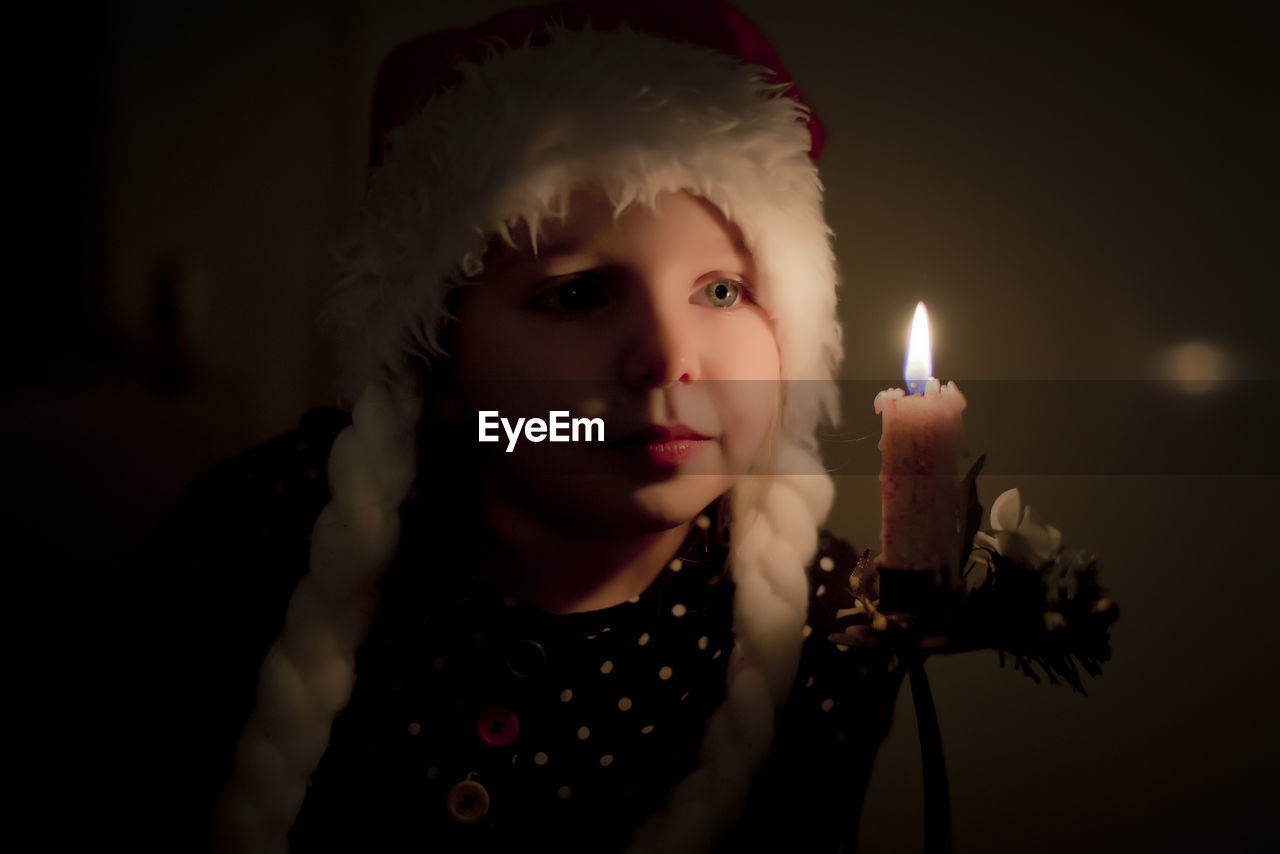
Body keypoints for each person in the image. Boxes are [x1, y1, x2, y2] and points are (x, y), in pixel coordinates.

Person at [98, 2, 908, 852]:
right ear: (438, 365)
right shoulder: (265, 527)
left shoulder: (835, 625)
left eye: (721, 291)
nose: (670, 359)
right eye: (578, 294)